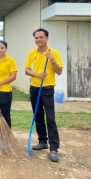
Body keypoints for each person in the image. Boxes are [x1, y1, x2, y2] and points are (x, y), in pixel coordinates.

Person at [25, 28, 63, 163]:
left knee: (50, 118)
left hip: (47, 89)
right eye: (36, 38)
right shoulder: (31, 54)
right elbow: (27, 70)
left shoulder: (54, 53)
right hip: (34, 88)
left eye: (41, 37)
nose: (39, 39)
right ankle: (42, 141)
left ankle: (54, 148)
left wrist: (52, 60)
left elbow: (59, 72)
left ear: (47, 38)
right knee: (38, 116)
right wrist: (37, 75)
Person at [0, 40, 18, 129]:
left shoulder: (10, 60)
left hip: (5, 91)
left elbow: (13, 77)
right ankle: (0, 135)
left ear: (6, 49)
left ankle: (7, 136)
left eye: (2, 48)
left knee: (5, 114)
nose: (0, 50)